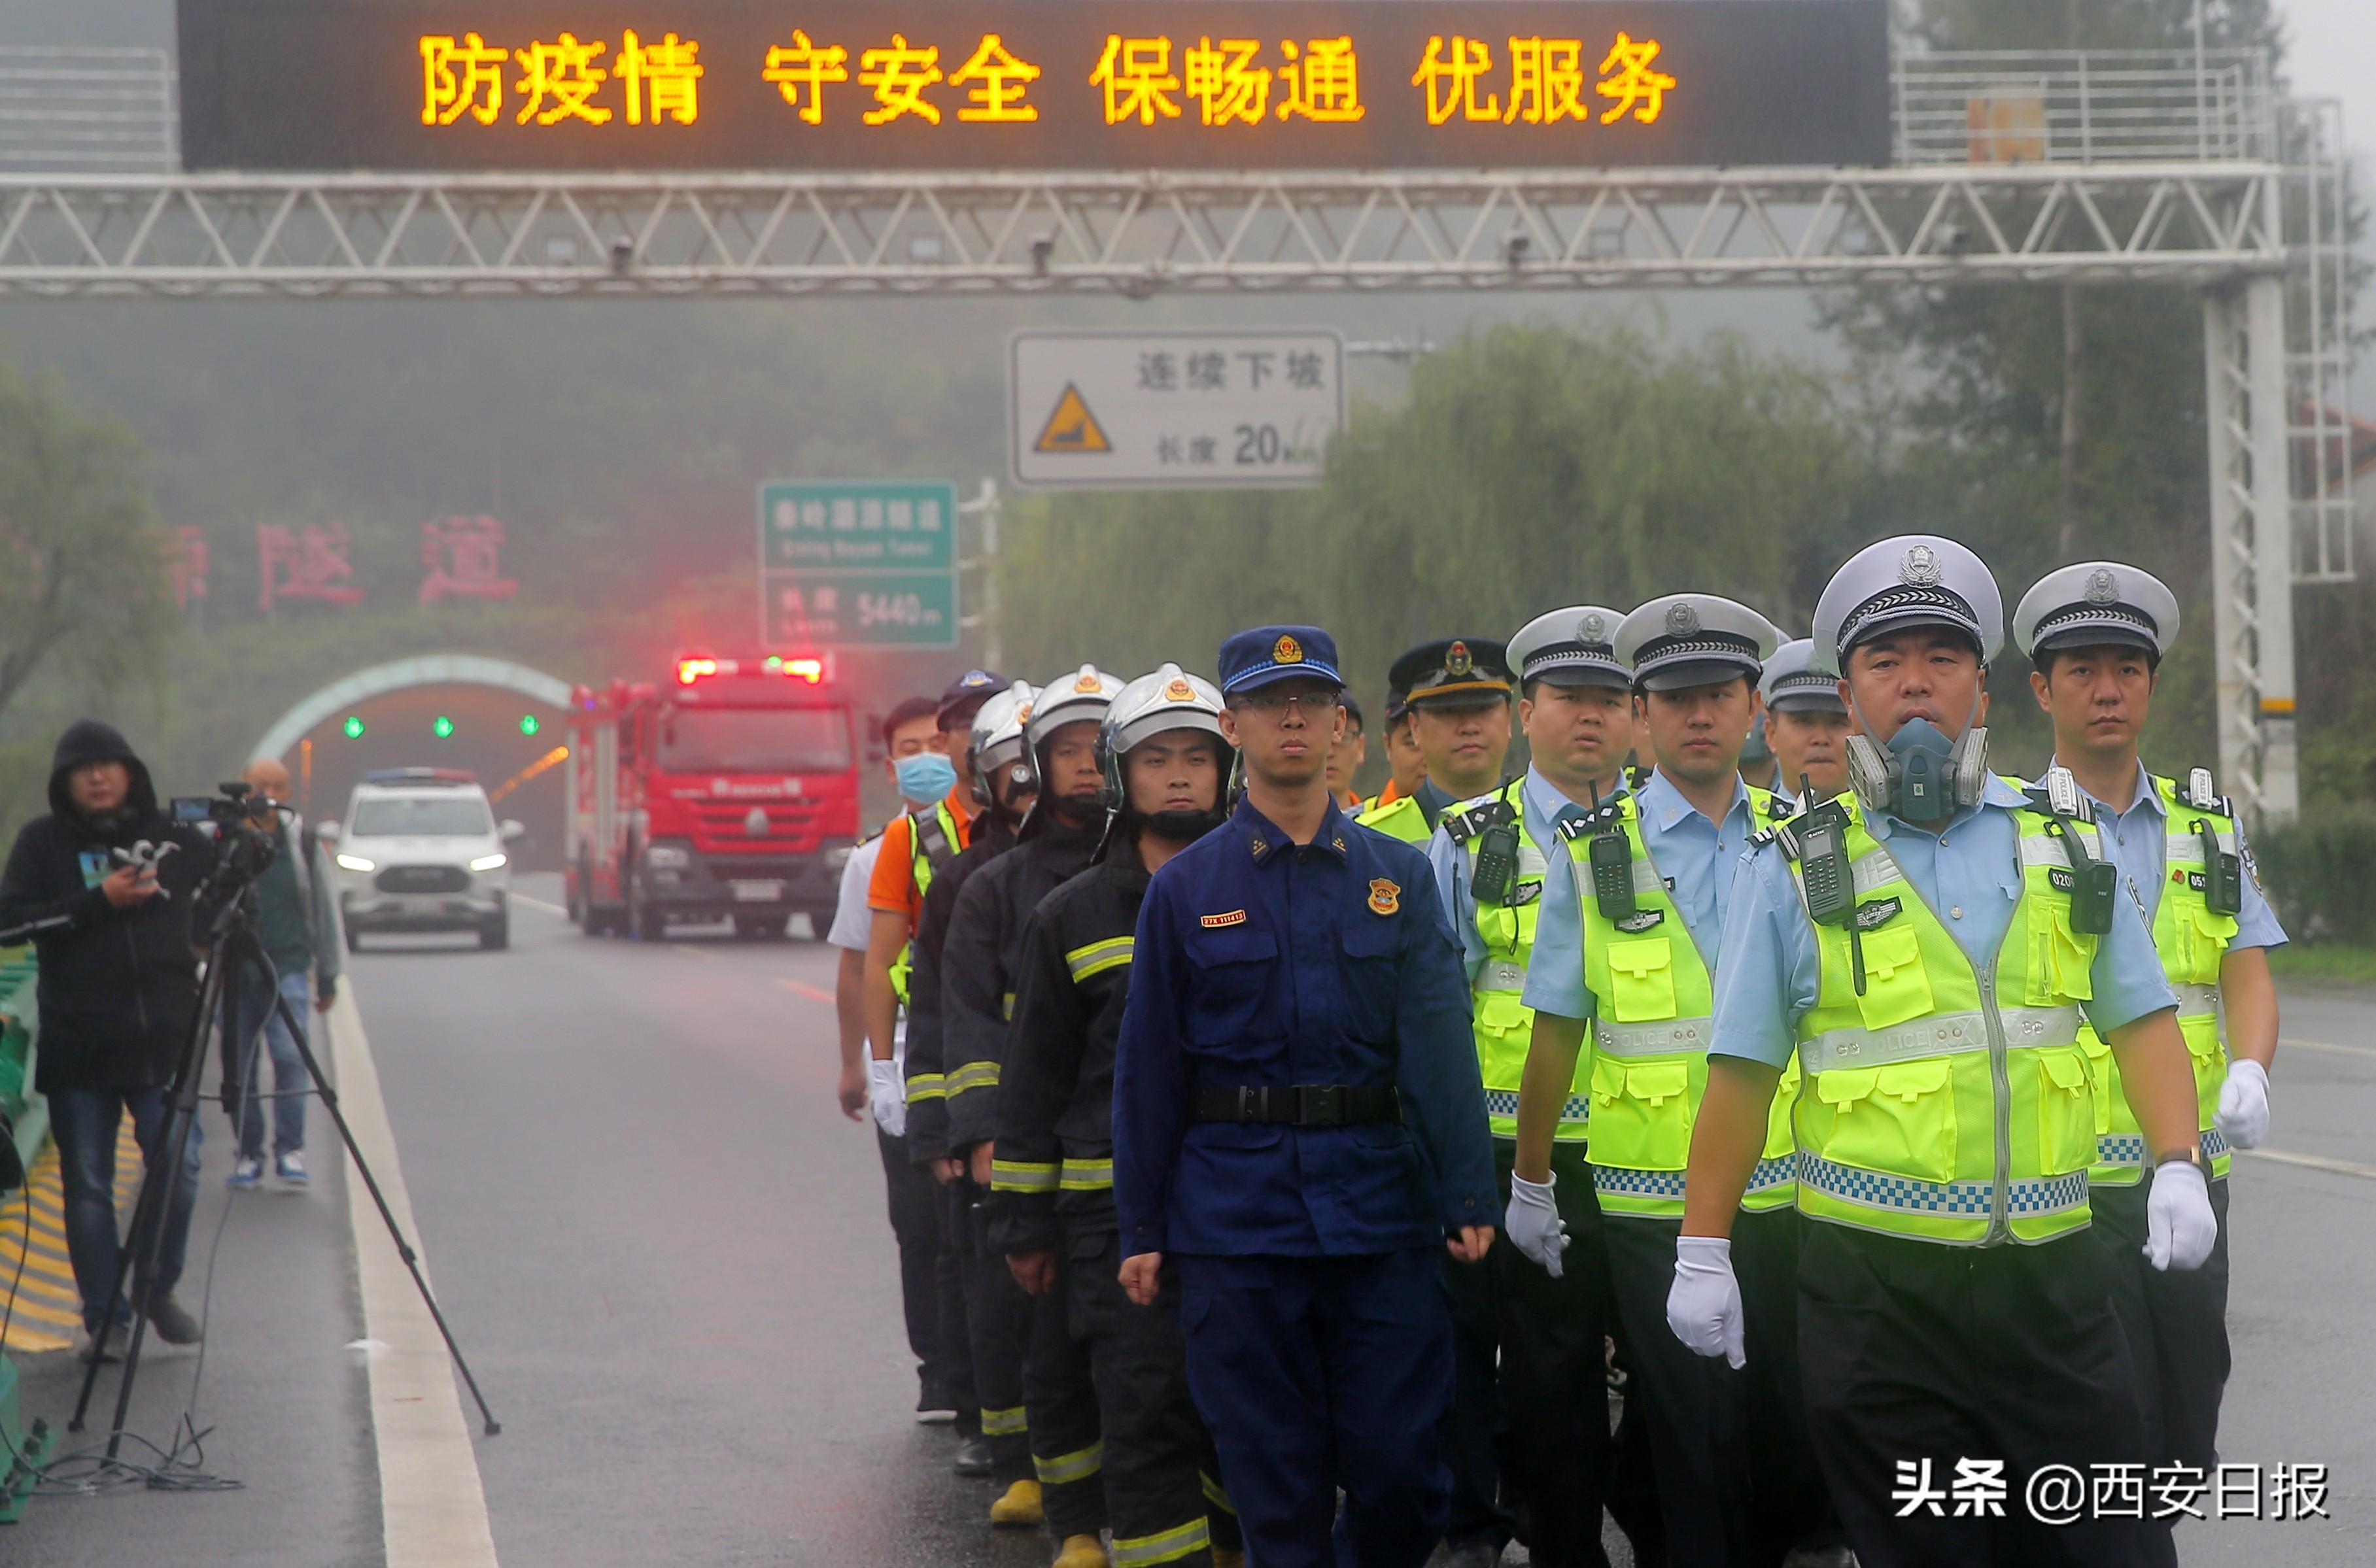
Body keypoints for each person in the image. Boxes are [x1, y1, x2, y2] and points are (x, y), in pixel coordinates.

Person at [1667, 536, 2220, 1568]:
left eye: (1940, 656)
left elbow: (2141, 1019)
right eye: (1885, 661)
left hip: (2056, 1291)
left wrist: (2178, 1163)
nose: (1915, 681)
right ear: (1848, 692)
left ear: (1982, 685)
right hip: (1878, 1307)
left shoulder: (2064, 844)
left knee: (2115, 1552)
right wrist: (1704, 1251)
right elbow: (1740, 1072)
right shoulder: (1793, 867)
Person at [1113, 624, 1497, 1568]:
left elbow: (1440, 1044)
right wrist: (1142, 1226)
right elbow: (1149, 1069)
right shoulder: (1184, 888)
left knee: (1404, 1471)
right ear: (1234, 726)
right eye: (1268, 701)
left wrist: (1468, 1191)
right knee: (1271, 1479)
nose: (1293, 716)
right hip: (1235, 1223)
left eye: (1313, 700)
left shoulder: (1396, 877)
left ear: (1338, 724)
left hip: (1378, 1214)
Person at [1506, 594, 1835, 1568]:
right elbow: (1557, 1033)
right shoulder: (1593, 851)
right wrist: (1530, 1179)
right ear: (1641, 715)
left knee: (1790, 1430)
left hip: (1794, 1191)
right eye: (1677, 697)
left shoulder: (1814, 840)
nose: (1701, 715)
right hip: (1651, 1208)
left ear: (1753, 709)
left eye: (1720, 695)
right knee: (1697, 1439)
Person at [2013, 561, 2284, 1568]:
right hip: (2067, 1181)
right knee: (2101, 1414)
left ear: (2151, 685)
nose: (2107, 689)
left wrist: (2251, 1067)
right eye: (2081, 669)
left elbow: (2243, 970)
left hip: (2189, 1172)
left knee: (2186, 1403)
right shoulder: (2008, 832)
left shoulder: (2207, 826)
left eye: (2126, 668)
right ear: (2042, 689)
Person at [991, 664, 1246, 1568]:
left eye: (1196, 757)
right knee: (1144, 1408)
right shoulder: (1070, 915)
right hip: (1107, 1218)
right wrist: (1025, 1219)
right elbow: (1033, 1082)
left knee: (1246, 1405)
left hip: (1245, 1202)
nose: (1179, 776)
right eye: (1156, 758)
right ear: (1119, 773)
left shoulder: (1268, 891)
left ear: (1228, 771)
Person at [1425, 605, 1636, 1568]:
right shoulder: (1473, 839)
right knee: (1547, 1384)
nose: (1587, 718)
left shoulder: (1677, 831)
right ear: (1526, 711)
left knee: (1674, 1378)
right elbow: (1433, 1012)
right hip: (1522, 1159)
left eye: (1608, 699)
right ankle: (1562, 1548)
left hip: (1655, 1154)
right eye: (1567, 699)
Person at [946, 666, 1125, 1555]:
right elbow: (971, 1017)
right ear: (1031, 765)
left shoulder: (1169, 871)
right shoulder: (996, 885)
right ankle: (1046, 1484)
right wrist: (979, 1133)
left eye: (1099, 748)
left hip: (1132, 1144)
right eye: (1065, 751)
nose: (1086, 767)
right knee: (1030, 1319)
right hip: (1033, 1135)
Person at [0, 721, 216, 1349]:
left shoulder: (172, 838)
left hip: (161, 1042)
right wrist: (99, 901)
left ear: (131, 773)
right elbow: (10, 924)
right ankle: (105, 1315)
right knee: (88, 1186)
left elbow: (225, 893)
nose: (98, 776)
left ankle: (154, 1282)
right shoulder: (42, 845)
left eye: (109, 765)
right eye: (83, 768)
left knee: (181, 1161)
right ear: (65, 781)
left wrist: (254, 846)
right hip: (79, 1047)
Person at [906, 681, 1042, 1497]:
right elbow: (937, 1014)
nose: (1032, 784)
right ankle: (993, 1435)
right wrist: (944, 1130)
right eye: (1014, 771)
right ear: (987, 780)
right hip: (984, 1126)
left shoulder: (1113, 865)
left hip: (1076, 1117)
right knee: (987, 1289)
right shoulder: (966, 880)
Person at [827, 693, 962, 1423]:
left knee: (972, 1226)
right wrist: (859, 1064)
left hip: (966, 1061)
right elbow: (859, 968)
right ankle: (937, 1368)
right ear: (890, 765)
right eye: (910, 749)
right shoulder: (874, 857)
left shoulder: (986, 844)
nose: (926, 759)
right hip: (902, 1067)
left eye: (937, 743)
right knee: (920, 1226)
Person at [862, 669, 1006, 1117]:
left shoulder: (1045, 827)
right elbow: (882, 962)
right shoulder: (905, 837)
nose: (980, 734)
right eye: (965, 724)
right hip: (940, 1040)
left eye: (992, 718)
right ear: (943, 742)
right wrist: (883, 1067)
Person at [218, 758, 340, 1191]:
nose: (267, 793)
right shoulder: (227, 842)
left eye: (277, 786)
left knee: (290, 1057)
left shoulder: (302, 845)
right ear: (246, 789)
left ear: (288, 793)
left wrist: (327, 974)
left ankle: (291, 1148)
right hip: (235, 972)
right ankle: (249, 1152)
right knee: (240, 1066)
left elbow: (324, 911)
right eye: (259, 785)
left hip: (286, 966)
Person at [1359, 639, 1515, 845]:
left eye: (1483, 709)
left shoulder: (1549, 827)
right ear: (1415, 727)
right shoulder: (1367, 840)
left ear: (1509, 719)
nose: (1469, 727)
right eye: (1448, 712)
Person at [1759, 638, 1853, 806]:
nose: (1821, 738)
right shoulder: (1744, 824)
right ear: (1771, 734)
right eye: (1804, 722)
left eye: (1837, 723)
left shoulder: (1884, 829)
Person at [1365, 689, 1425, 813]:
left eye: (1435, 740)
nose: (1428, 757)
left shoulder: (1471, 822)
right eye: (1412, 743)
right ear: (1388, 745)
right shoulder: (1354, 827)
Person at [1327, 692, 1368, 812]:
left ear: (1361, 746)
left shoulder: (1377, 826)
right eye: (1322, 738)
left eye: (1343, 737)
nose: (1329, 753)